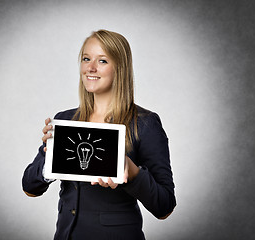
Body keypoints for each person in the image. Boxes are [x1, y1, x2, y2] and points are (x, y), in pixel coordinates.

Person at [22, 29, 176, 240]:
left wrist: (131, 172)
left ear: (119, 69)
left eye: (102, 61)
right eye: (86, 59)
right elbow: (29, 188)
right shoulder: (66, 120)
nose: (90, 68)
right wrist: (50, 162)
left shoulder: (145, 123)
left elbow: (164, 207)